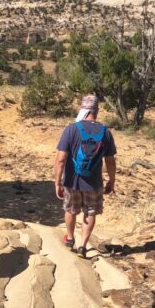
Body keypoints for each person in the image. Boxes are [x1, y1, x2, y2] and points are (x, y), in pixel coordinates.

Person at [54, 94, 116, 258]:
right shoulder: (105, 132)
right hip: (94, 183)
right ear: (96, 110)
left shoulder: (71, 129)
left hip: (71, 181)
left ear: (83, 108)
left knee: (71, 209)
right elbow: (110, 161)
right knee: (90, 212)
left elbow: (60, 159)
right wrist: (111, 181)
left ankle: (70, 238)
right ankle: (82, 246)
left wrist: (57, 183)